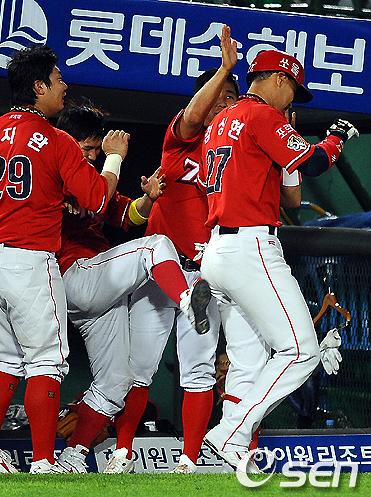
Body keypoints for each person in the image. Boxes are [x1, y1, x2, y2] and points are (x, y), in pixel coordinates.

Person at [0, 44, 125, 474]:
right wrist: (114, 158)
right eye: (58, 79)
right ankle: (44, 462)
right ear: (39, 86)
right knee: (45, 361)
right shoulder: (56, 139)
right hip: (26, 257)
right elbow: (97, 199)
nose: (65, 85)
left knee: (6, 360)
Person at [199, 48, 359, 471]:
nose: (291, 101)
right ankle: (232, 432)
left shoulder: (221, 120)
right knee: (301, 352)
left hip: (216, 250)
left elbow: (288, 192)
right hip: (250, 249)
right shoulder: (261, 115)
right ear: (278, 79)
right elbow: (317, 162)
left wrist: (289, 147)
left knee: (249, 360)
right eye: (292, 89)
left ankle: (234, 450)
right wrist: (336, 138)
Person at [41, 100, 212, 474]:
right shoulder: (52, 171)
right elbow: (96, 196)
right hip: (73, 275)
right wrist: (113, 158)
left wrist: (149, 198)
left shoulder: (87, 178)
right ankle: (186, 299)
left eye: (95, 149)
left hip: (99, 290)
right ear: (66, 142)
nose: (92, 155)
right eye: (87, 148)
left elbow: (125, 215)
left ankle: (72, 457)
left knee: (116, 383)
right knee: (156, 245)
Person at [102, 25, 240, 475]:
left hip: (205, 275)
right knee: (137, 369)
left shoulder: (240, 155)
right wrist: (222, 72)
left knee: (199, 371)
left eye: (231, 98)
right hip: (160, 273)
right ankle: (122, 452)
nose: (223, 103)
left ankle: (189, 460)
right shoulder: (179, 142)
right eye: (216, 96)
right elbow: (194, 117)